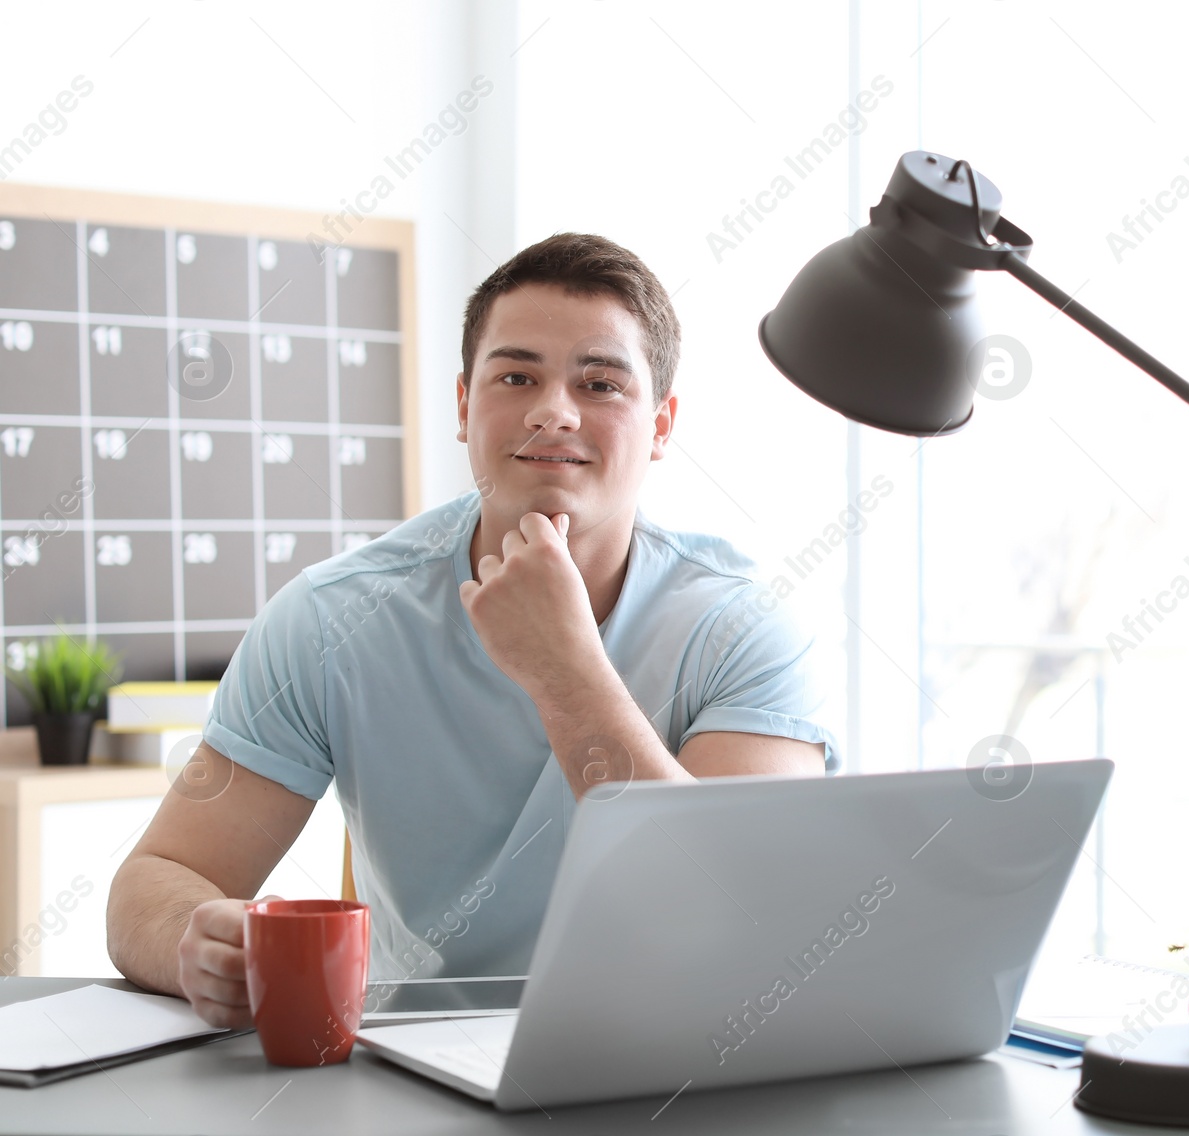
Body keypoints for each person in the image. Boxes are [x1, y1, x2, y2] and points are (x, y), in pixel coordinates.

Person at [106, 232, 839, 1028]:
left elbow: (740, 924)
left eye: (600, 384)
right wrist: (194, 940)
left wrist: (563, 666)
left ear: (661, 426)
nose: (553, 410)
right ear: (463, 407)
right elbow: (160, 873)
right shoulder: (329, 617)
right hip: (413, 1071)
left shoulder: (745, 630)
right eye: (516, 375)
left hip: (682, 1058)